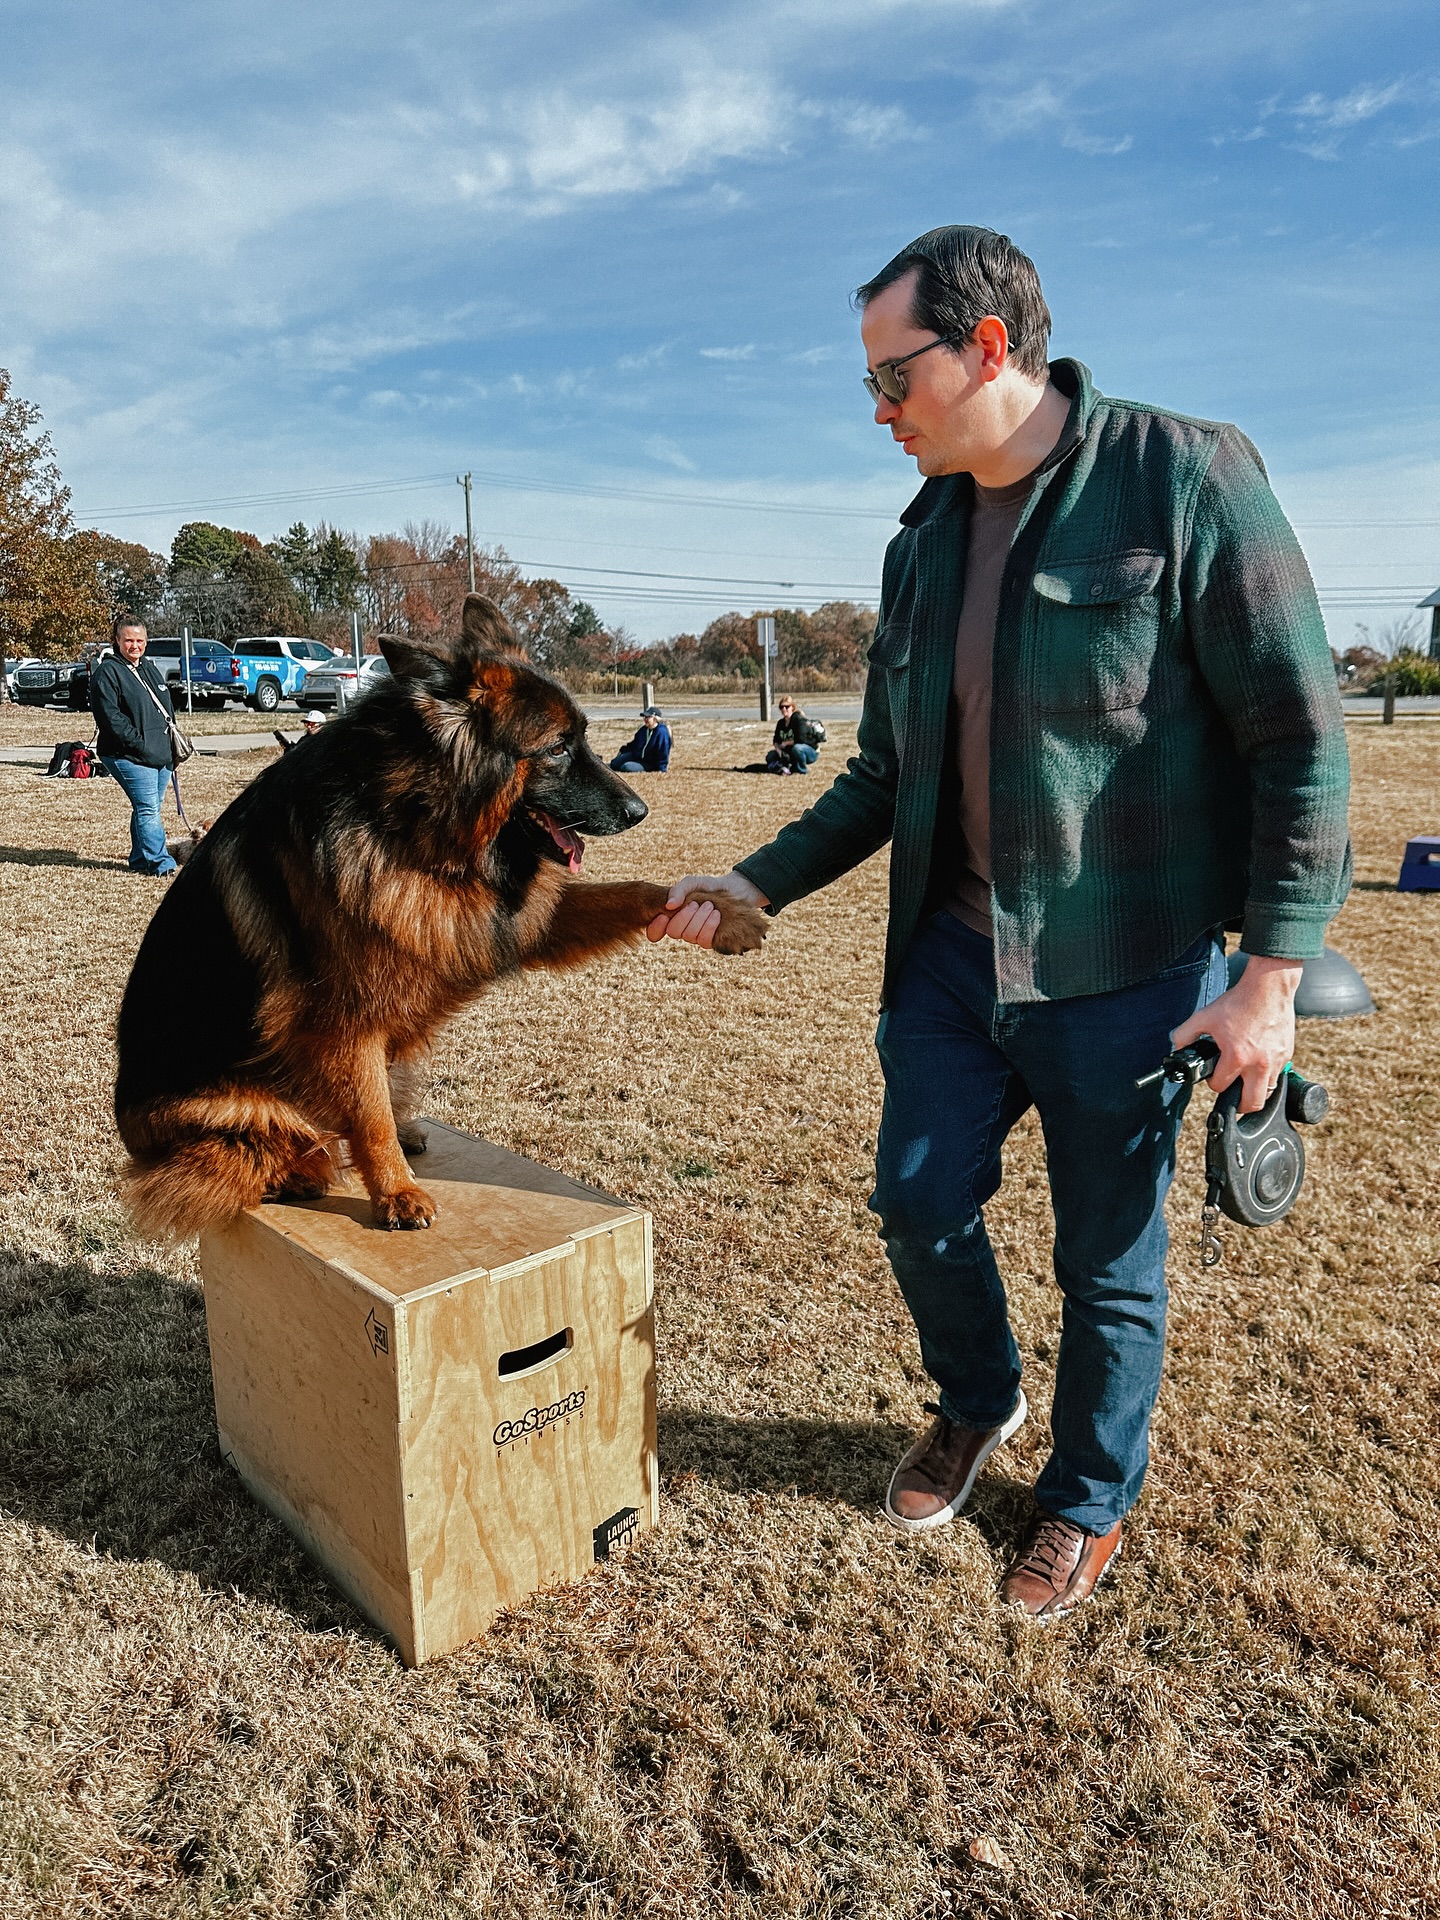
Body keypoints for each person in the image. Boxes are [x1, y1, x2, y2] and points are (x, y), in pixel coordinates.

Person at [652, 225, 1349, 1620]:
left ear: (987, 346)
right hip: (953, 957)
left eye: (892, 376)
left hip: (1130, 966)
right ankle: (979, 1401)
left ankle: (1088, 1499)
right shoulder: (921, 545)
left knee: (1110, 1265)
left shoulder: (1185, 476)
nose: (877, 411)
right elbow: (881, 778)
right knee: (915, 1197)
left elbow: (1301, 741)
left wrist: (1268, 978)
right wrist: (757, 882)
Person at [89, 614, 178, 877]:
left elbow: (167, 708)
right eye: (128, 640)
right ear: (117, 641)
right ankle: (161, 864)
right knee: (148, 808)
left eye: (140, 640)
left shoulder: (148, 667)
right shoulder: (107, 672)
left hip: (160, 753)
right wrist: (141, 746)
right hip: (126, 754)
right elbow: (111, 719)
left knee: (148, 806)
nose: (134, 645)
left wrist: (168, 747)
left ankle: (140, 859)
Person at [766, 696, 820, 775]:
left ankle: (802, 770)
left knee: (797, 748)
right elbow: (776, 740)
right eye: (781, 707)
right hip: (790, 751)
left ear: (792, 707)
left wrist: (786, 743)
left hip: (809, 751)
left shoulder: (799, 720)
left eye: (787, 707)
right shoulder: (780, 723)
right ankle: (786, 767)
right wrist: (779, 751)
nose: (784, 709)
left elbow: (801, 740)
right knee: (770, 756)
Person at [610, 706, 671, 773]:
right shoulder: (643, 729)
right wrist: (625, 749)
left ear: (655, 718)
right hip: (637, 757)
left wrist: (662, 768)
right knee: (614, 764)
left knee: (626, 767)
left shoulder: (661, 732)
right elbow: (635, 743)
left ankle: (641, 768)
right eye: (645, 717)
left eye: (648, 717)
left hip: (650, 763)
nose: (646, 719)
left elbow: (663, 751)